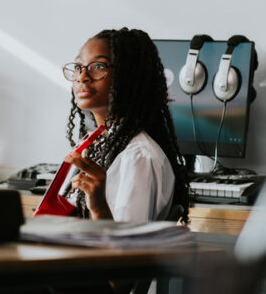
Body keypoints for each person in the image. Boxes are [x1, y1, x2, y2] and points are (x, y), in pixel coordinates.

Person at [63, 27, 189, 224]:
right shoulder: (94, 147)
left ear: (128, 76)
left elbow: (127, 247)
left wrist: (98, 207)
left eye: (98, 66)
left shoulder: (138, 157)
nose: (82, 77)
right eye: (79, 67)